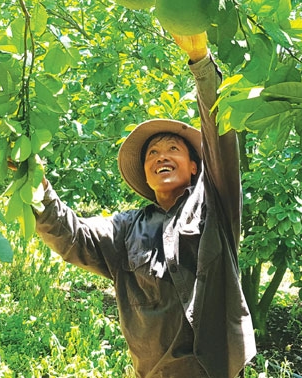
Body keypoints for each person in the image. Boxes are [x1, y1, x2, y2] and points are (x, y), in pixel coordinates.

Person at [33, 32, 256, 378]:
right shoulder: (125, 228)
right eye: (152, 153)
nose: (161, 157)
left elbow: (219, 137)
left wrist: (200, 63)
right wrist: (37, 187)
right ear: (146, 175)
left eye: (172, 149)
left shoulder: (214, 204)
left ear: (195, 165)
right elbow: (71, 235)